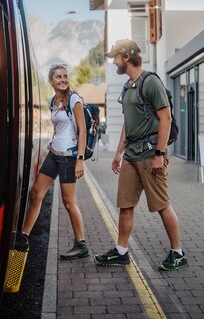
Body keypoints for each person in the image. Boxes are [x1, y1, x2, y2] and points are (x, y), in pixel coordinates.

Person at [94, 39, 188, 271]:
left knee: (161, 204)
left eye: (115, 57)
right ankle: (121, 251)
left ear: (126, 57)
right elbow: (128, 122)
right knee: (125, 205)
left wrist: (159, 153)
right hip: (131, 156)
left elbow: (165, 118)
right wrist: (118, 152)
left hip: (149, 154)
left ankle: (177, 253)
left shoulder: (151, 82)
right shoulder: (127, 86)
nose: (113, 61)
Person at [16, 63, 89, 260]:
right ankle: (23, 236)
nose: (63, 79)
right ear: (51, 81)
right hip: (53, 154)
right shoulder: (52, 101)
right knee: (36, 193)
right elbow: (58, 128)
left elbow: (82, 130)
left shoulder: (74, 99)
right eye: (58, 77)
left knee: (68, 202)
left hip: (68, 157)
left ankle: (80, 243)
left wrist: (80, 160)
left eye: (65, 76)